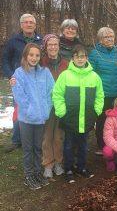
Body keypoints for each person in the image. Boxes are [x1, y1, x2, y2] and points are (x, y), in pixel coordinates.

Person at [52, 45, 104, 183]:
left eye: (82, 56)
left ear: (86, 58)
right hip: (70, 119)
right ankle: (68, 168)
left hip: (86, 119)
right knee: (68, 145)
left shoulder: (94, 77)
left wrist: (96, 111)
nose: (80, 59)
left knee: (83, 145)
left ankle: (81, 167)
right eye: (77, 56)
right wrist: (62, 111)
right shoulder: (65, 75)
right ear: (72, 58)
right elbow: (57, 94)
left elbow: (100, 96)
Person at [12, 43, 54, 190]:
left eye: (37, 55)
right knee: (28, 148)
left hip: (41, 118)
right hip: (27, 119)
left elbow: (51, 92)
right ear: (25, 56)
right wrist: (30, 110)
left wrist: (47, 109)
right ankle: (29, 175)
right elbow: (19, 95)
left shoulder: (45, 73)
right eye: (31, 55)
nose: (34, 58)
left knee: (38, 147)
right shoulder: (19, 73)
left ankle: (37, 172)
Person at [2, 13, 42, 153]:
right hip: (19, 83)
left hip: (37, 82)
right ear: (21, 25)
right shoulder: (13, 41)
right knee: (19, 111)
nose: (29, 24)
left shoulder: (41, 40)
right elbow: (5, 60)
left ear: (35, 25)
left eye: (31, 22)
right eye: (26, 22)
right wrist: (10, 75)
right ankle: (16, 140)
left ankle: (34, 139)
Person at [88, 27, 117, 156]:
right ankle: (101, 145)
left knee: (115, 120)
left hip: (116, 93)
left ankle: (115, 144)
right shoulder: (95, 53)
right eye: (106, 37)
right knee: (102, 120)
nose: (109, 39)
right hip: (102, 93)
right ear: (100, 39)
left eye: (111, 36)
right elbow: (91, 73)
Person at [40, 34, 69, 178]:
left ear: (59, 46)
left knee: (58, 136)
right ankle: (47, 164)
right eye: (49, 45)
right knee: (47, 136)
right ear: (45, 47)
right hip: (46, 105)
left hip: (61, 104)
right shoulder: (41, 63)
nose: (53, 47)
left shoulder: (66, 63)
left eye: (55, 44)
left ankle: (58, 162)